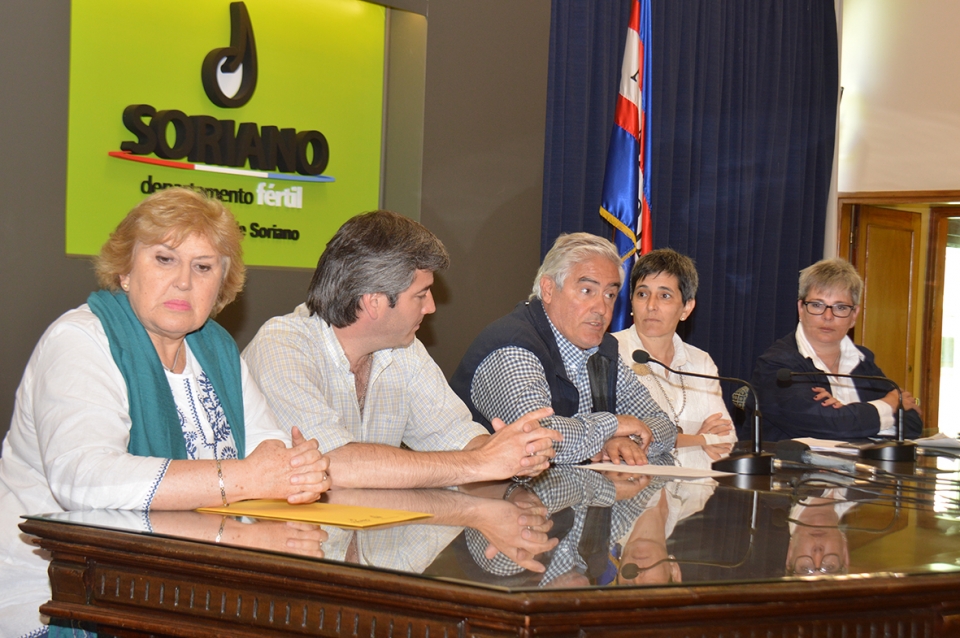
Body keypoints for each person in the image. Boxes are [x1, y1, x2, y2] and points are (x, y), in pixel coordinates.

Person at [0, 188, 330, 637]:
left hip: (183, 586)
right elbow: (84, 479)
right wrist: (247, 481)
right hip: (58, 596)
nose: (184, 282)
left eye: (203, 267)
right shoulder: (79, 341)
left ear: (221, 284)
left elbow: (266, 449)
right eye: (164, 259)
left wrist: (296, 469)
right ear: (124, 270)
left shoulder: (216, 350)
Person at [243, 210, 560, 490]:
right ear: (374, 302)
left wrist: (513, 452)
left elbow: (455, 435)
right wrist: (480, 463)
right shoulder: (281, 347)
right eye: (421, 295)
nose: (431, 307)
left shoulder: (404, 349)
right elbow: (331, 464)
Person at [451, 233, 677, 465]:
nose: (601, 308)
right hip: (486, 486)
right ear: (548, 289)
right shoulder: (512, 346)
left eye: (610, 295)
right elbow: (536, 438)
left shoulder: (602, 350)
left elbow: (664, 426)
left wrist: (620, 440)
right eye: (587, 291)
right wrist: (613, 426)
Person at [752, 258, 923, 442]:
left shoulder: (862, 361)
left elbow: (912, 424)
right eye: (817, 305)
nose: (828, 316)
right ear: (801, 309)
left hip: (863, 461)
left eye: (840, 307)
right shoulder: (778, 365)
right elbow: (829, 426)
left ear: (854, 315)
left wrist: (847, 414)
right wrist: (889, 405)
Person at [612, 249, 736, 468]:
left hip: (695, 486)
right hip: (633, 482)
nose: (651, 305)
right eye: (642, 294)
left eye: (665, 296)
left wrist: (678, 440)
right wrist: (699, 439)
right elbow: (624, 437)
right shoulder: (610, 352)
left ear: (686, 307)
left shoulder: (701, 361)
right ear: (631, 301)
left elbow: (726, 438)